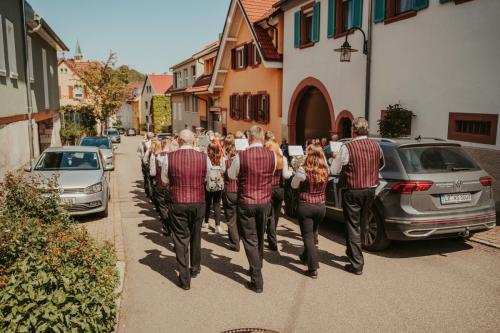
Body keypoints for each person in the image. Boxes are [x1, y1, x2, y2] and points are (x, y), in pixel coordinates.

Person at [330, 117, 382, 275]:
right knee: (362, 222)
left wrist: (334, 156)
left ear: (353, 131)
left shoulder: (347, 147)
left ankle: (357, 264)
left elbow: (335, 170)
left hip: (352, 189)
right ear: (366, 130)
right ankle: (353, 253)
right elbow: (379, 163)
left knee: (352, 225)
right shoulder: (376, 145)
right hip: (371, 188)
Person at [228, 125, 275, 293]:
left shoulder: (241, 156)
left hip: (247, 201)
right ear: (262, 138)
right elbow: (272, 172)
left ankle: (257, 278)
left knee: (250, 239)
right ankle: (257, 264)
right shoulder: (272, 156)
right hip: (265, 201)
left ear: (249, 138)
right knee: (260, 236)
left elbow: (232, 175)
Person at [161, 129, 209, 290]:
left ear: (179, 141)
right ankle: (195, 267)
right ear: (193, 140)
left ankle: (184, 278)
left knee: (181, 240)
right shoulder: (203, 157)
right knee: (196, 235)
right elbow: (207, 177)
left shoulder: (169, 157)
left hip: (178, 201)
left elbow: (164, 179)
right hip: (198, 201)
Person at [291, 144, 329, 278]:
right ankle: (304, 256)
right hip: (321, 206)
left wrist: (297, 171)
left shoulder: (303, 170)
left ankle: (313, 268)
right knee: (312, 233)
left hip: (306, 205)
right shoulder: (325, 169)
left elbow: (293, 185)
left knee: (308, 236)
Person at [265, 136, 292, 251]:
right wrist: (291, 171)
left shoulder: (267, 159)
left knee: (270, 216)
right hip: (280, 189)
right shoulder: (283, 159)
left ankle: (272, 240)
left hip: (269, 188)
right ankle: (273, 234)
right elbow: (286, 176)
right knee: (276, 215)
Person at [222, 134, 240, 251]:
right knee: (238, 217)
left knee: (231, 218)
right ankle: (238, 237)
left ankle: (234, 242)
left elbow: (223, 173)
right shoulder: (240, 161)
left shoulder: (227, 162)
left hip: (229, 191)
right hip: (240, 191)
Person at [204, 142, 225, 234]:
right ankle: (218, 225)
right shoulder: (222, 158)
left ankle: (206, 222)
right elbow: (223, 170)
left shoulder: (206, 158)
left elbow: (207, 171)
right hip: (219, 182)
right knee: (217, 204)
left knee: (207, 203)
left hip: (208, 182)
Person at [152, 139, 172, 236]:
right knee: (170, 207)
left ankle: (167, 226)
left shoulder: (156, 156)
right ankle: (172, 225)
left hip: (160, 184)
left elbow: (153, 172)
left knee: (163, 207)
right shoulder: (173, 156)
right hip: (170, 186)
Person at [137, 132, 154, 197]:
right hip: (153, 162)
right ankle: (152, 192)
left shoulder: (142, 144)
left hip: (145, 163)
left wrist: (142, 157)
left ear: (147, 136)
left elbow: (138, 152)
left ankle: (148, 192)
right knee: (152, 178)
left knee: (146, 178)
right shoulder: (155, 144)